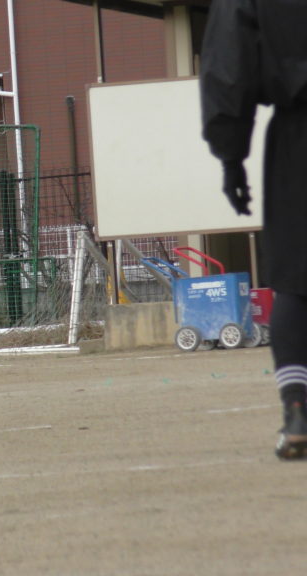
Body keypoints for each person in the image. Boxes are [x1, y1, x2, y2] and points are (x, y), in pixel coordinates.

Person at [200, 0, 307, 458]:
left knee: (296, 283)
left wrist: (231, 157)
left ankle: (298, 410)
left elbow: (230, 65)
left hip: (300, 135)